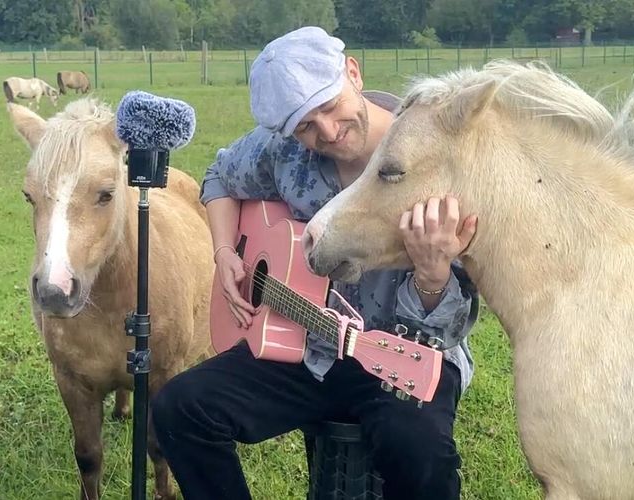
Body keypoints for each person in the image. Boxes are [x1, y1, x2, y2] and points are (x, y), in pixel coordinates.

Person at [152, 26, 480, 500]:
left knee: (420, 451)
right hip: (307, 347)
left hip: (406, 354)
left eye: (329, 105)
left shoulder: (435, 158)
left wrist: (432, 274)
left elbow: (446, 328)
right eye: (305, 125)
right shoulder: (285, 152)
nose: (326, 131)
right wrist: (223, 252)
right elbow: (221, 174)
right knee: (179, 408)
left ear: (353, 73)